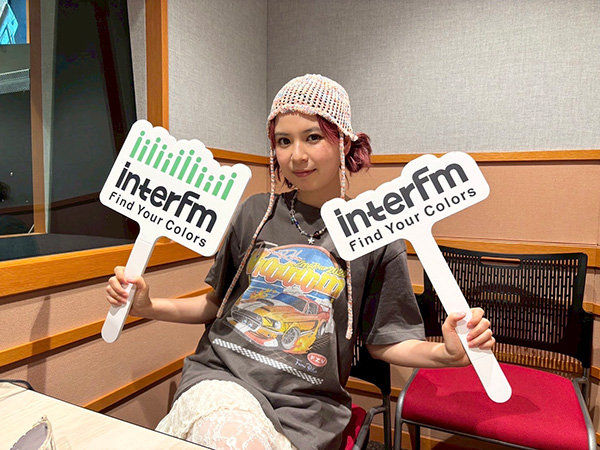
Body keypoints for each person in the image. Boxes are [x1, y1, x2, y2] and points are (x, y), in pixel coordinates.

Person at [105, 74, 494, 450]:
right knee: (225, 435)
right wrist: (147, 306)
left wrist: (445, 355)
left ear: (343, 142)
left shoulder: (376, 232)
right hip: (222, 377)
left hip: (307, 409)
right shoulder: (256, 212)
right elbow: (216, 305)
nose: (297, 156)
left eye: (312, 137)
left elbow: (386, 341)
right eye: (283, 141)